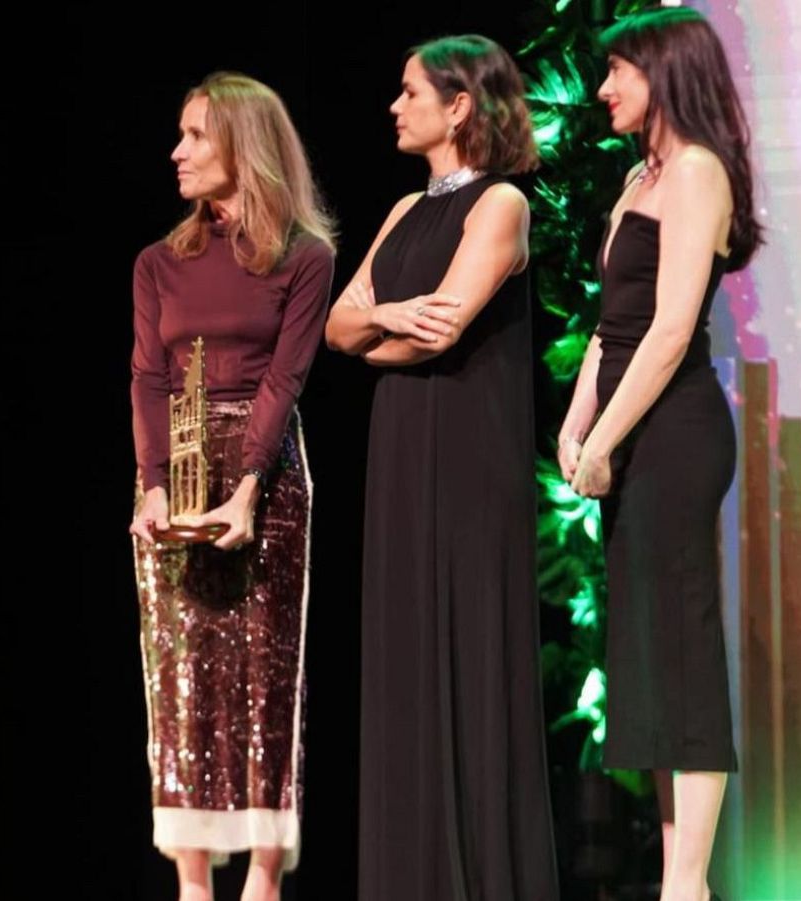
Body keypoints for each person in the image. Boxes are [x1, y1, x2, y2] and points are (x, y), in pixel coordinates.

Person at [323, 35, 559, 901]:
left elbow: (442, 329)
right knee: (405, 648)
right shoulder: (399, 211)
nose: (395, 104)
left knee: (466, 641)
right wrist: (383, 319)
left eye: (410, 90)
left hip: (467, 452)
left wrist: (376, 334)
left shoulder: (500, 205)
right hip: (400, 451)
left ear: (459, 105)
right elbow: (337, 331)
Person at [562, 8, 762, 900]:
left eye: (617, 71)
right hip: (626, 429)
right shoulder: (637, 179)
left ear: (663, 71)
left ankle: (687, 884)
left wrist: (604, 437)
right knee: (644, 650)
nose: (604, 88)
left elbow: (673, 326)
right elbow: (611, 332)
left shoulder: (696, 172)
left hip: (676, 432)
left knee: (680, 639)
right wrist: (577, 425)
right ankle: (683, 879)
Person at [127, 71, 335, 901]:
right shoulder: (158, 261)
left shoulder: (305, 258)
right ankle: (192, 885)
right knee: (179, 677)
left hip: (268, 472)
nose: (177, 152)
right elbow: (147, 374)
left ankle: (262, 881)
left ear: (243, 146)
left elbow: (285, 380)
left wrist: (247, 489)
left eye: (196, 136)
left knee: (262, 671)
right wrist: (150, 490)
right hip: (175, 467)